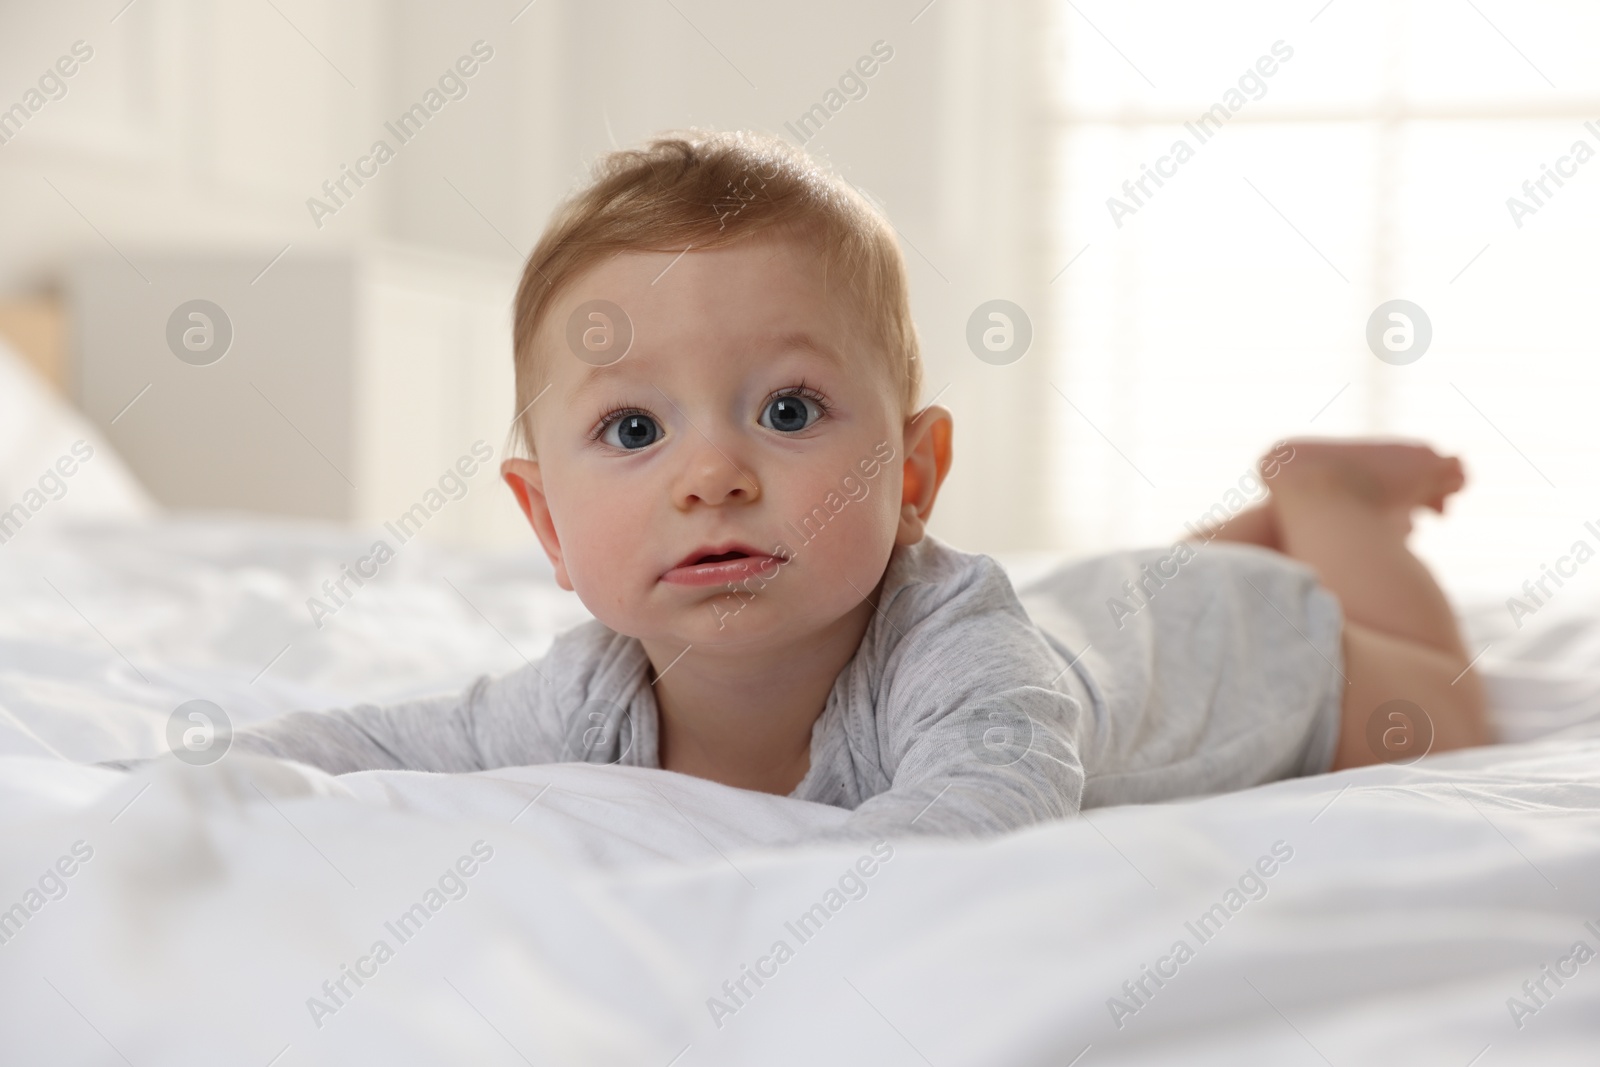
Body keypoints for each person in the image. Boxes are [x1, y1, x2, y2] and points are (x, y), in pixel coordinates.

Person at [232, 130, 1489, 841]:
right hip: (1111, 615)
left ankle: (1324, 498)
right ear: (546, 524)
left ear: (916, 475)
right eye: (630, 427)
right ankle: (1243, 532)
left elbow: (973, 819)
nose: (713, 473)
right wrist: (212, 770)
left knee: (1444, 702)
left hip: (1245, 655)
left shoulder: (964, 662)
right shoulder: (586, 692)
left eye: (787, 411)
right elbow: (395, 740)